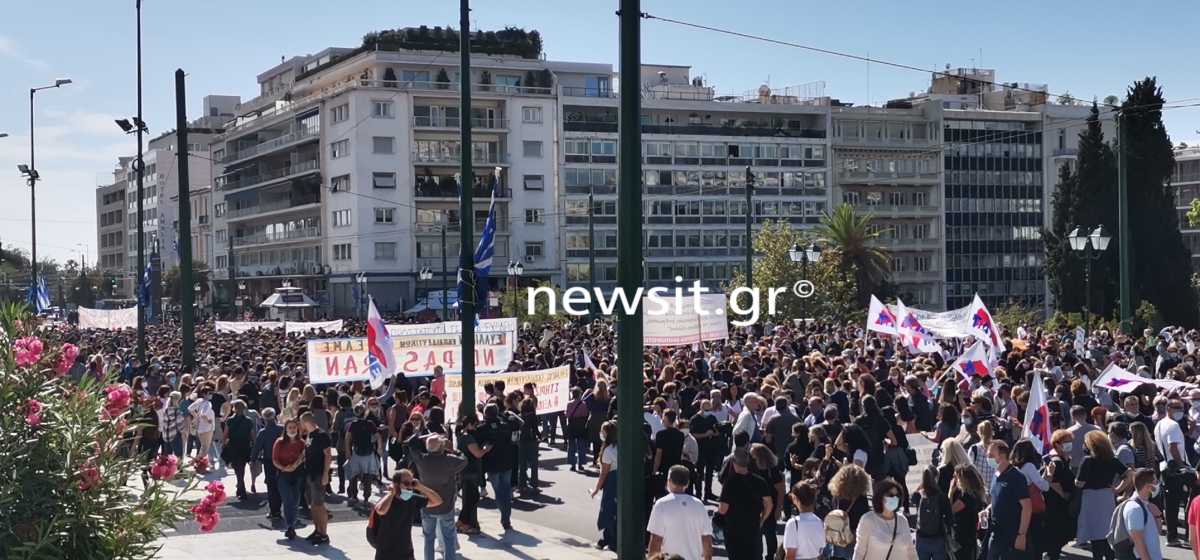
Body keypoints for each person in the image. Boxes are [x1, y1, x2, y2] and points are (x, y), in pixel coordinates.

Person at [409, 433, 467, 560]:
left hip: (427, 505)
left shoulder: (421, 460)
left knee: (428, 538)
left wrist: (424, 437)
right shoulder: (449, 460)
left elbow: (411, 445)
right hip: (446, 506)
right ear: (442, 447)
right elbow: (464, 460)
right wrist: (453, 450)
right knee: (448, 537)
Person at [1076, 430, 1131, 560]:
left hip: (1090, 498)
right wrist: (1117, 489)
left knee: (1095, 533)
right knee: (1107, 530)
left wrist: (1075, 480)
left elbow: (1079, 483)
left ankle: (1098, 556)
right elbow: (1129, 474)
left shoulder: (1087, 460)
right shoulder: (1112, 459)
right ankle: (1110, 555)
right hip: (1107, 497)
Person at [366, 470, 443, 560]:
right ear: (396, 484)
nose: (410, 486)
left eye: (412, 483)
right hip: (386, 554)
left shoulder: (412, 499)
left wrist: (420, 487)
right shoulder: (388, 500)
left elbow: (437, 501)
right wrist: (392, 493)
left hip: (406, 553)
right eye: (406, 483)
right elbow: (381, 510)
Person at [648, 465, 714, 560]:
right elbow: (707, 540)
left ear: (668, 481)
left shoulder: (661, 504)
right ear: (687, 484)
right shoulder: (699, 505)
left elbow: (656, 540)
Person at [717, 448, 772, 560]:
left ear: (733, 462)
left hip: (734, 529)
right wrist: (762, 519)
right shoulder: (759, 481)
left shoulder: (730, 482)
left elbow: (723, 509)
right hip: (753, 527)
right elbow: (769, 504)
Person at [1154, 398, 1193, 546]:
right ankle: (1190, 536)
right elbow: (1173, 447)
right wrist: (1183, 466)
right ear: (1168, 408)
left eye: (1181, 408)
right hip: (1176, 469)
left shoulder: (1159, 424)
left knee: (1171, 505)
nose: (1180, 411)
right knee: (1189, 501)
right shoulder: (1173, 425)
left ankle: (1172, 537)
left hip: (1166, 467)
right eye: (1176, 407)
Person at [984, 440, 1031, 560]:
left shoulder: (1016, 477)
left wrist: (1022, 535)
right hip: (995, 532)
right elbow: (997, 498)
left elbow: (1027, 506)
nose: (988, 458)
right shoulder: (996, 474)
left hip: (1012, 534)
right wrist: (987, 510)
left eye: (991, 455)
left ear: (1002, 455)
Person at [478, 403, 520, 531]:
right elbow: (515, 436)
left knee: (498, 491)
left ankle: (505, 516)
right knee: (506, 491)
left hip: (492, 465)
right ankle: (506, 517)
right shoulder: (506, 425)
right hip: (506, 462)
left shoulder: (482, 429)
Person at [851, 478, 916, 560]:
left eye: (897, 496)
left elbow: (911, 550)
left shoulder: (902, 520)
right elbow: (859, 552)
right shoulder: (868, 520)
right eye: (890, 495)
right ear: (880, 497)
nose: (894, 499)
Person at [1043, 430, 1078, 560]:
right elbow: (1053, 481)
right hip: (1056, 504)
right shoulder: (1057, 461)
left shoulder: (1064, 459)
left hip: (1061, 504)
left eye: (1070, 442)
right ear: (1057, 444)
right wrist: (1063, 495)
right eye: (1066, 442)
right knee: (1056, 535)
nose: (1069, 445)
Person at [455, 413, 491, 535]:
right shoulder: (468, 438)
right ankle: (461, 523)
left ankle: (462, 523)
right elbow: (477, 454)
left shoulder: (461, 435)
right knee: (472, 499)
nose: (476, 428)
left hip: (464, 471)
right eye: (475, 425)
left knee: (470, 499)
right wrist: (486, 449)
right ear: (469, 424)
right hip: (470, 471)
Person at [301, 411, 333, 545]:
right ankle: (317, 530)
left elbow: (328, 455)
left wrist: (326, 474)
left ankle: (324, 533)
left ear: (306, 422)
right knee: (312, 505)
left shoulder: (322, 435)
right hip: (309, 473)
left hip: (319, 474)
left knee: (319, 505)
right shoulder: (310, 435)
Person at [272, 418, 306, 540]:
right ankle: (289, 526)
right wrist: (284, 468)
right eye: (290, 428)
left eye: (294, 427)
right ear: (285, 429)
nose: (292, 430)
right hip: (283, 474)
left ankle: (293, 522)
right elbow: (274, 460)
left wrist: (295, 466)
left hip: (297, 474)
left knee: (295, 500)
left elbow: (303, 458)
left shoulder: (301, 443)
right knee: (287, 500)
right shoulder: (279, 442)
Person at [1120, 468, 1164, 560]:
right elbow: (1138, 541)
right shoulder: (1135, 508)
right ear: (1148, 486)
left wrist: (1157, 516)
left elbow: (1158, 531)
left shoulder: (1147, 505)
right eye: (1155, 482)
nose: (1158, 485)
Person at [344, 404, 381, 504]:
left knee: (353, 475)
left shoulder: (353, 424)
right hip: (368, 453)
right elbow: (378, 436)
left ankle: (354, 495)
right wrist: (379, 449)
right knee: (368, 475)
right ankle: (366, 497)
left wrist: (347, 451)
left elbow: (347, 438)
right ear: (366, 413)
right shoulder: (370, 423)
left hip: (356, 452)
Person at [591, 420, 619, 551]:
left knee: (608, 510)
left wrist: (596, 488)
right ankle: (610, 538)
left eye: (602, 431)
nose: (601, 433)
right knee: (615, 510)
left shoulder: (608, 450)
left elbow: (604, 473)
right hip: (619, 480)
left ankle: (610, 539)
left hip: (612, 481)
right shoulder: (619, 446)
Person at [914, 467, 953, 560]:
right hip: (938, 538)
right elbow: (949, 519)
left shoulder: (918, 495)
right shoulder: (942, 497)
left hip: (921, 538)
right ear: (936, 478)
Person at [251, 407, 283, 520]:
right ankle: (280, 507)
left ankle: (274, 511)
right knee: (281, 484)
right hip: (283, 460)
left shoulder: (263, 432)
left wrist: (253, 459)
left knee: (271, 486)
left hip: (269, 461)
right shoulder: (282, 429)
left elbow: (257, 448)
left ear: (264, 418)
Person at [782, 481, 827, 560]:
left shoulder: (793, 523)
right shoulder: (820, 522)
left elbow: (790, 556)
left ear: (795, 499)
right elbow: (820, 551)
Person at [949, 464, 985, 560]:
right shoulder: (977, 494)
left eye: (956, 477)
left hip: (962, 538)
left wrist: (950, 492)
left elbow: (949, 511)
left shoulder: (965, 498)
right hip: (971, 536)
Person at [223, 399, 255, 500]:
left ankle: (241, 488)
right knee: (242, 468)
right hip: (245, 446)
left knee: (237, 468)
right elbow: (252, 435)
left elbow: (225, 435)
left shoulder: (229, 420)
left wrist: (224, 444)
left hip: (233, 446)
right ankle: (241, 487)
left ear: (234, 409)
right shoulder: (249, 421)